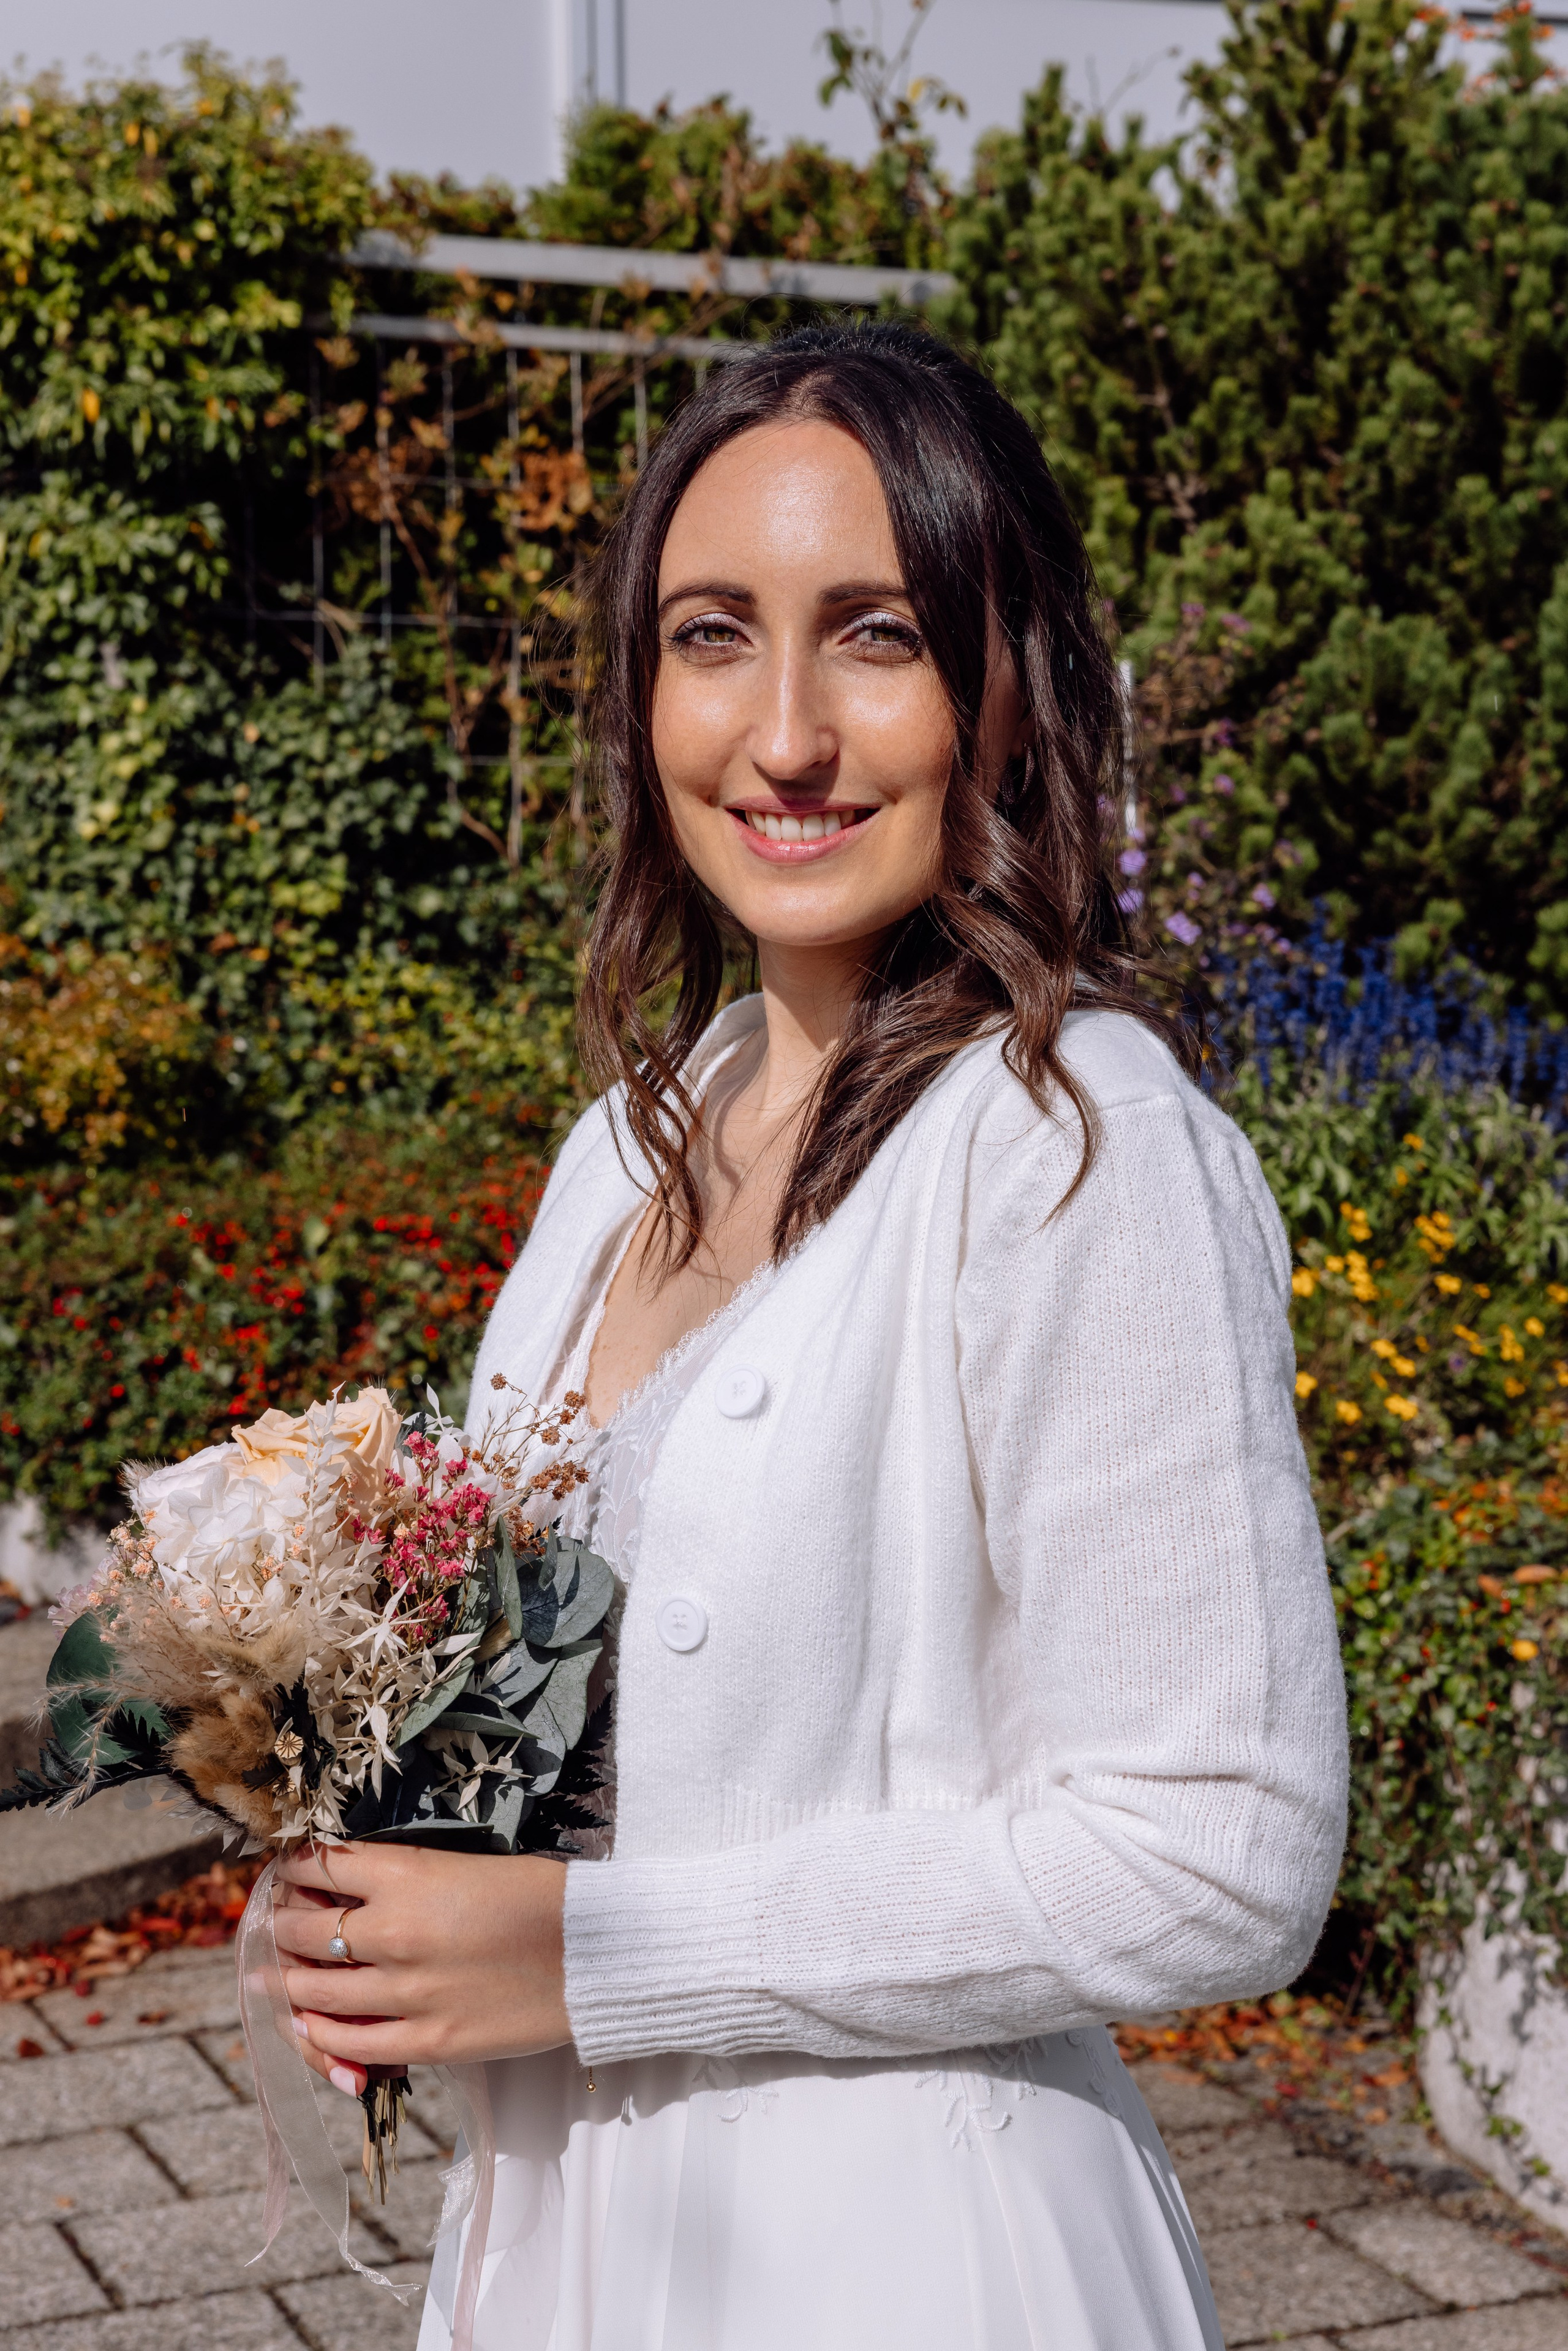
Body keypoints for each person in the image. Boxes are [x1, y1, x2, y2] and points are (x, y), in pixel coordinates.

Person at [276, 323, 1348, 2350]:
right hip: (569, 2242)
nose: (783, 735)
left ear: (1012, 688)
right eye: (712, 636)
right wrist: (388, 1893)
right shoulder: (633, 1140)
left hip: (898, 2259)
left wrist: (594, 1959)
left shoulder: (1076, 1147)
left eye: (876, 635)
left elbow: (1224, 1846)